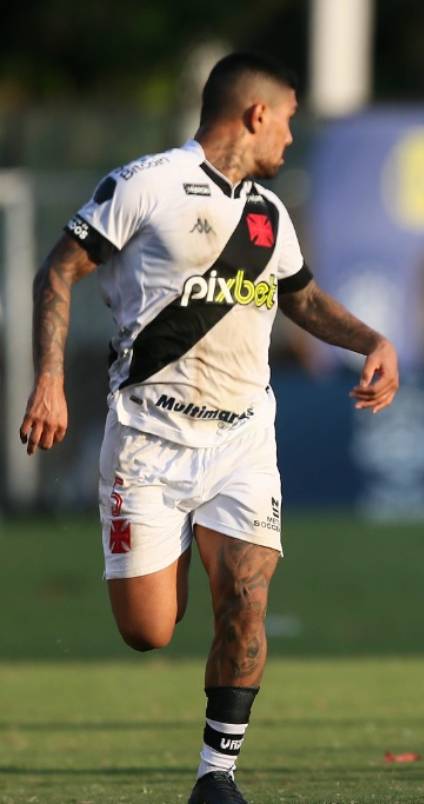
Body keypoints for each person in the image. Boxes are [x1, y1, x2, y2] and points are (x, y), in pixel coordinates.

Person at [18, 53, 399, 803]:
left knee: (247, 598)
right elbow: (59, 270)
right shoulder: (147, 184)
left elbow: (305, 300)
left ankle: (216, 775)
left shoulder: (270, 213)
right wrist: (51, 380)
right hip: (148, 442)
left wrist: (372, 342)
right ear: (255, 114)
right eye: (287, 119)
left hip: (241, 441)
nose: (291, 138)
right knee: (149, 631)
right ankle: (174, 543)